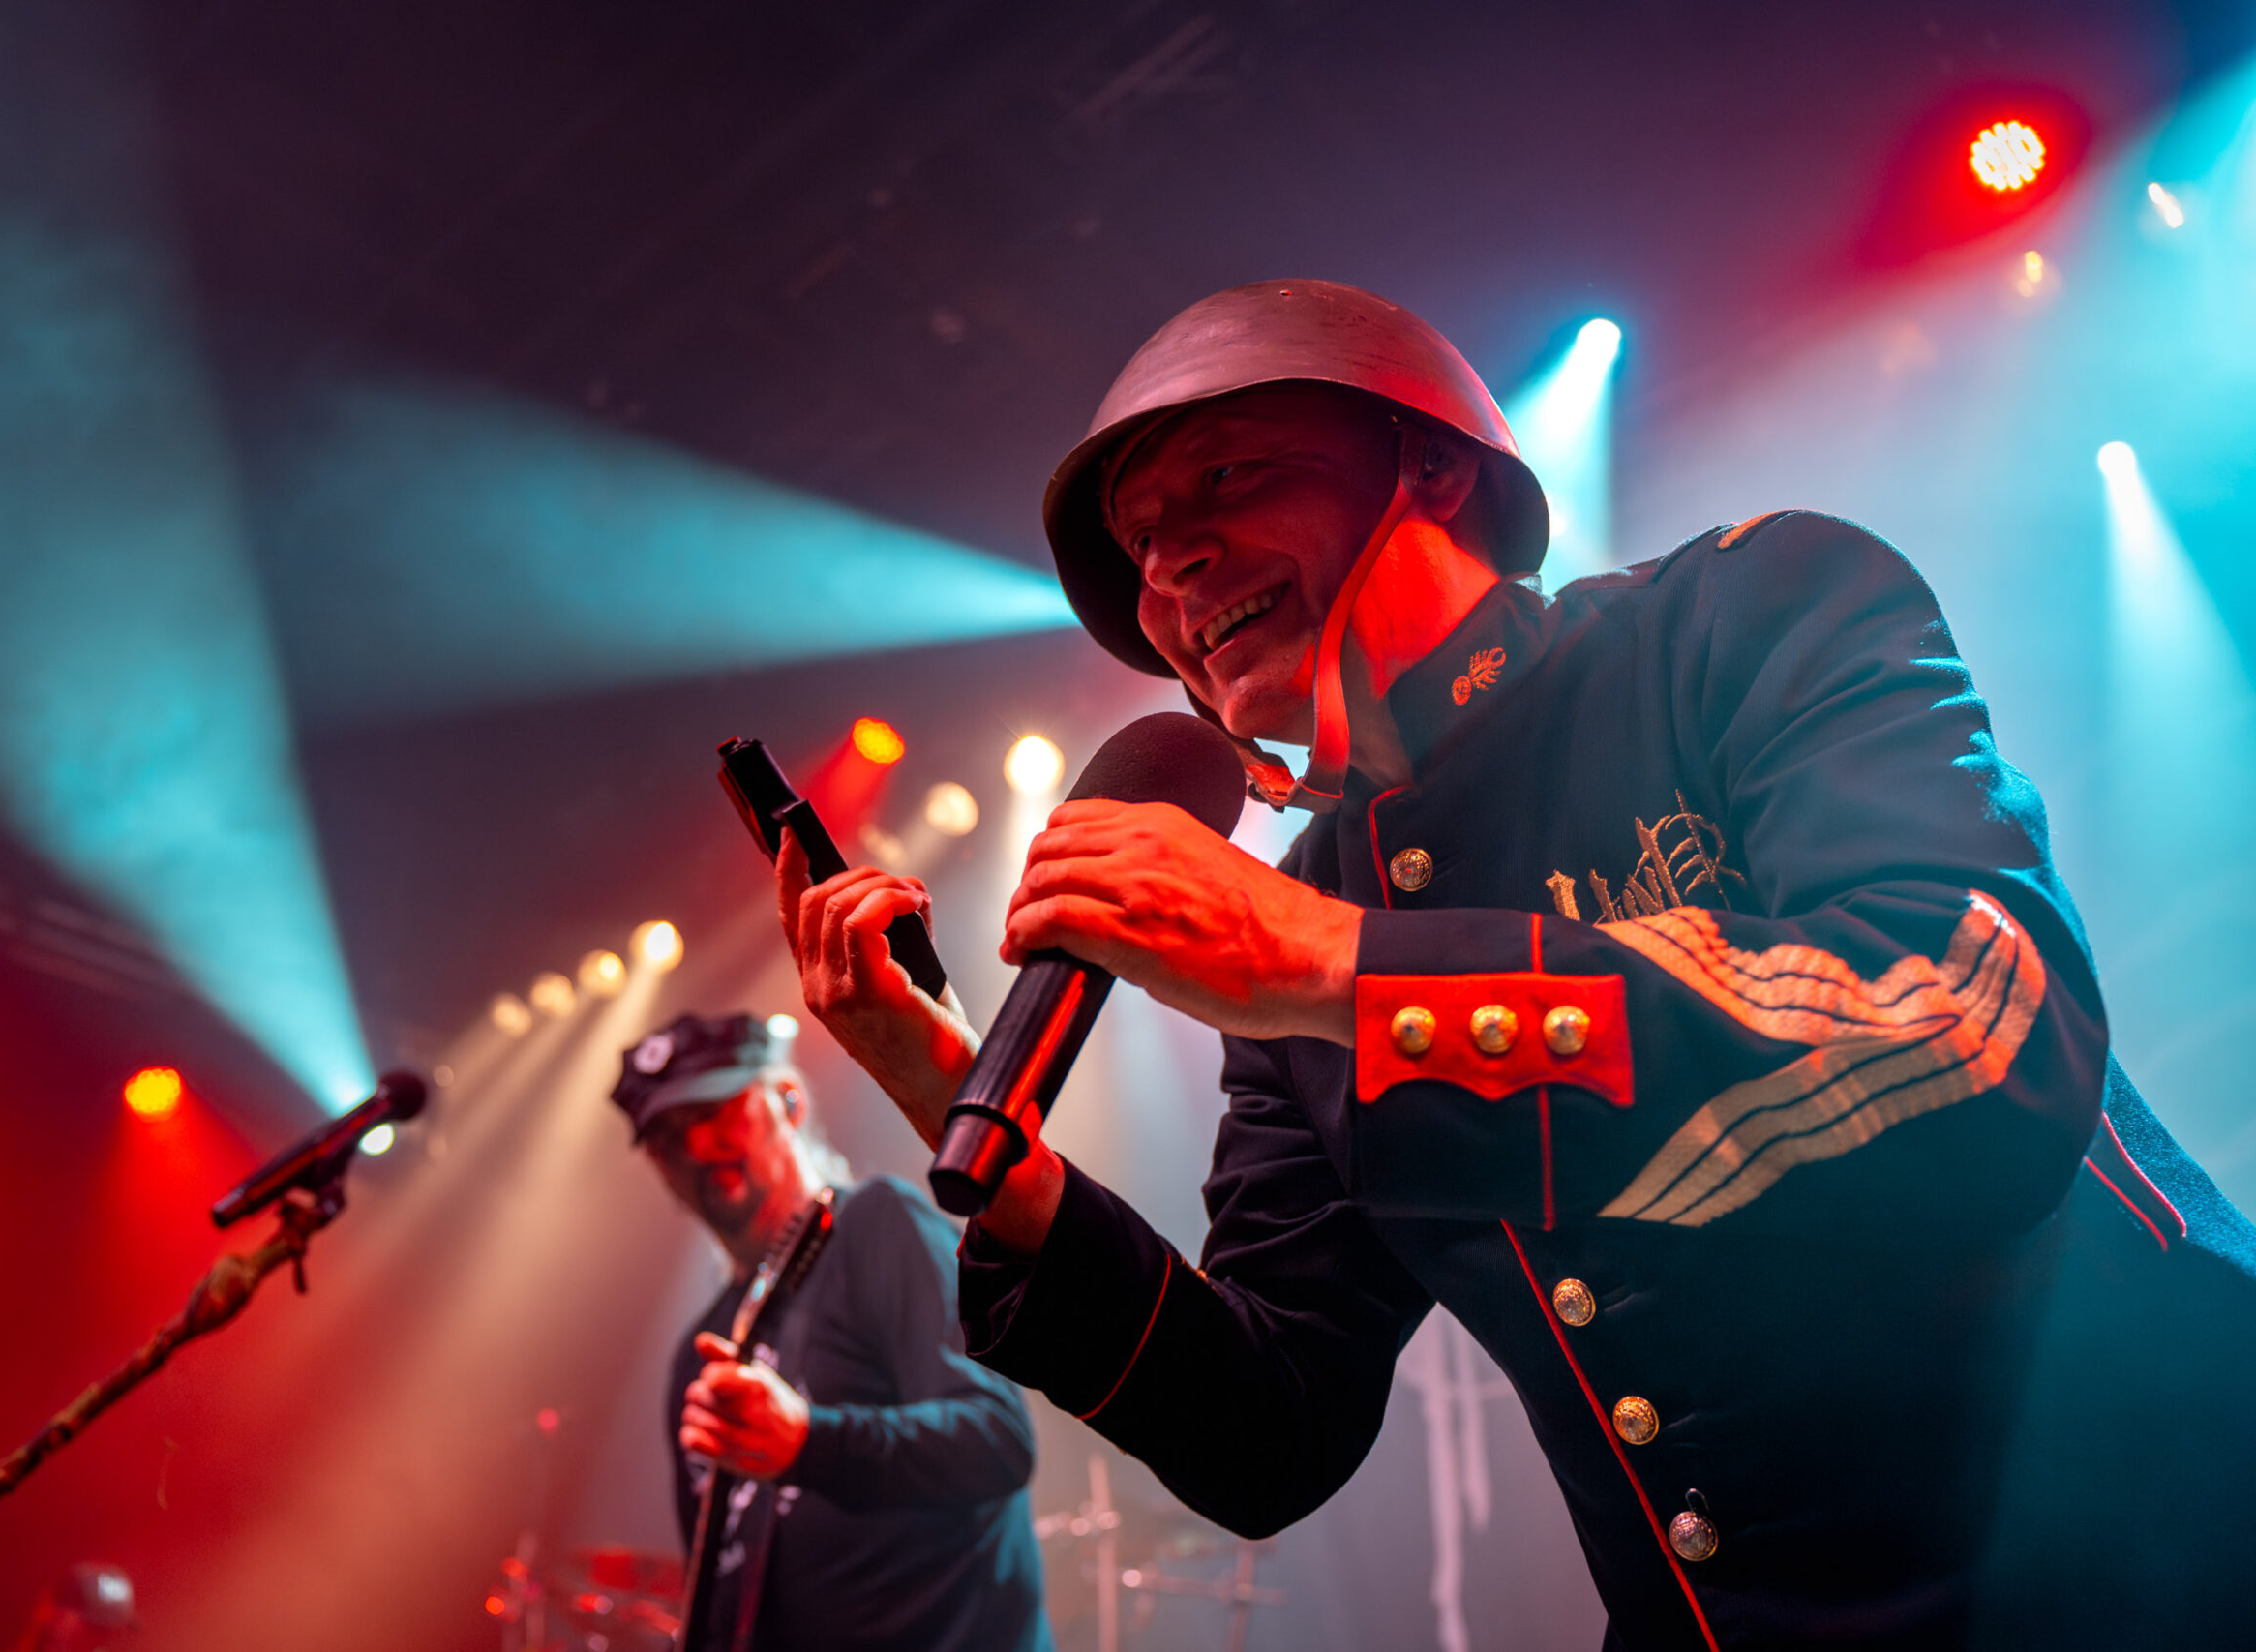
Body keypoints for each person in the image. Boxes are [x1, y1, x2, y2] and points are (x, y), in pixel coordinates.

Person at [777, 280, 2256, 1649]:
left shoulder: (1744, 610)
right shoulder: (1310, 919)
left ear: (1428, 462)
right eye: (1141, 543)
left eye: (1225, 477)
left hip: (2154, 1549)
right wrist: (964, 1105)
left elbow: (1980, 1032)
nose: (1169, 565)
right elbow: (1274, 1424)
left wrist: (1345, 968)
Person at [612, 1011, 1052, 1652]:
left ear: (788, 1100)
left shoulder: (876, 1224)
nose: (699, 1146)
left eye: (716, 1110)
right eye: (669, 1137)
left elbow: (998, 1438)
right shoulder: (699, 1354)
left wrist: (809, 1441)